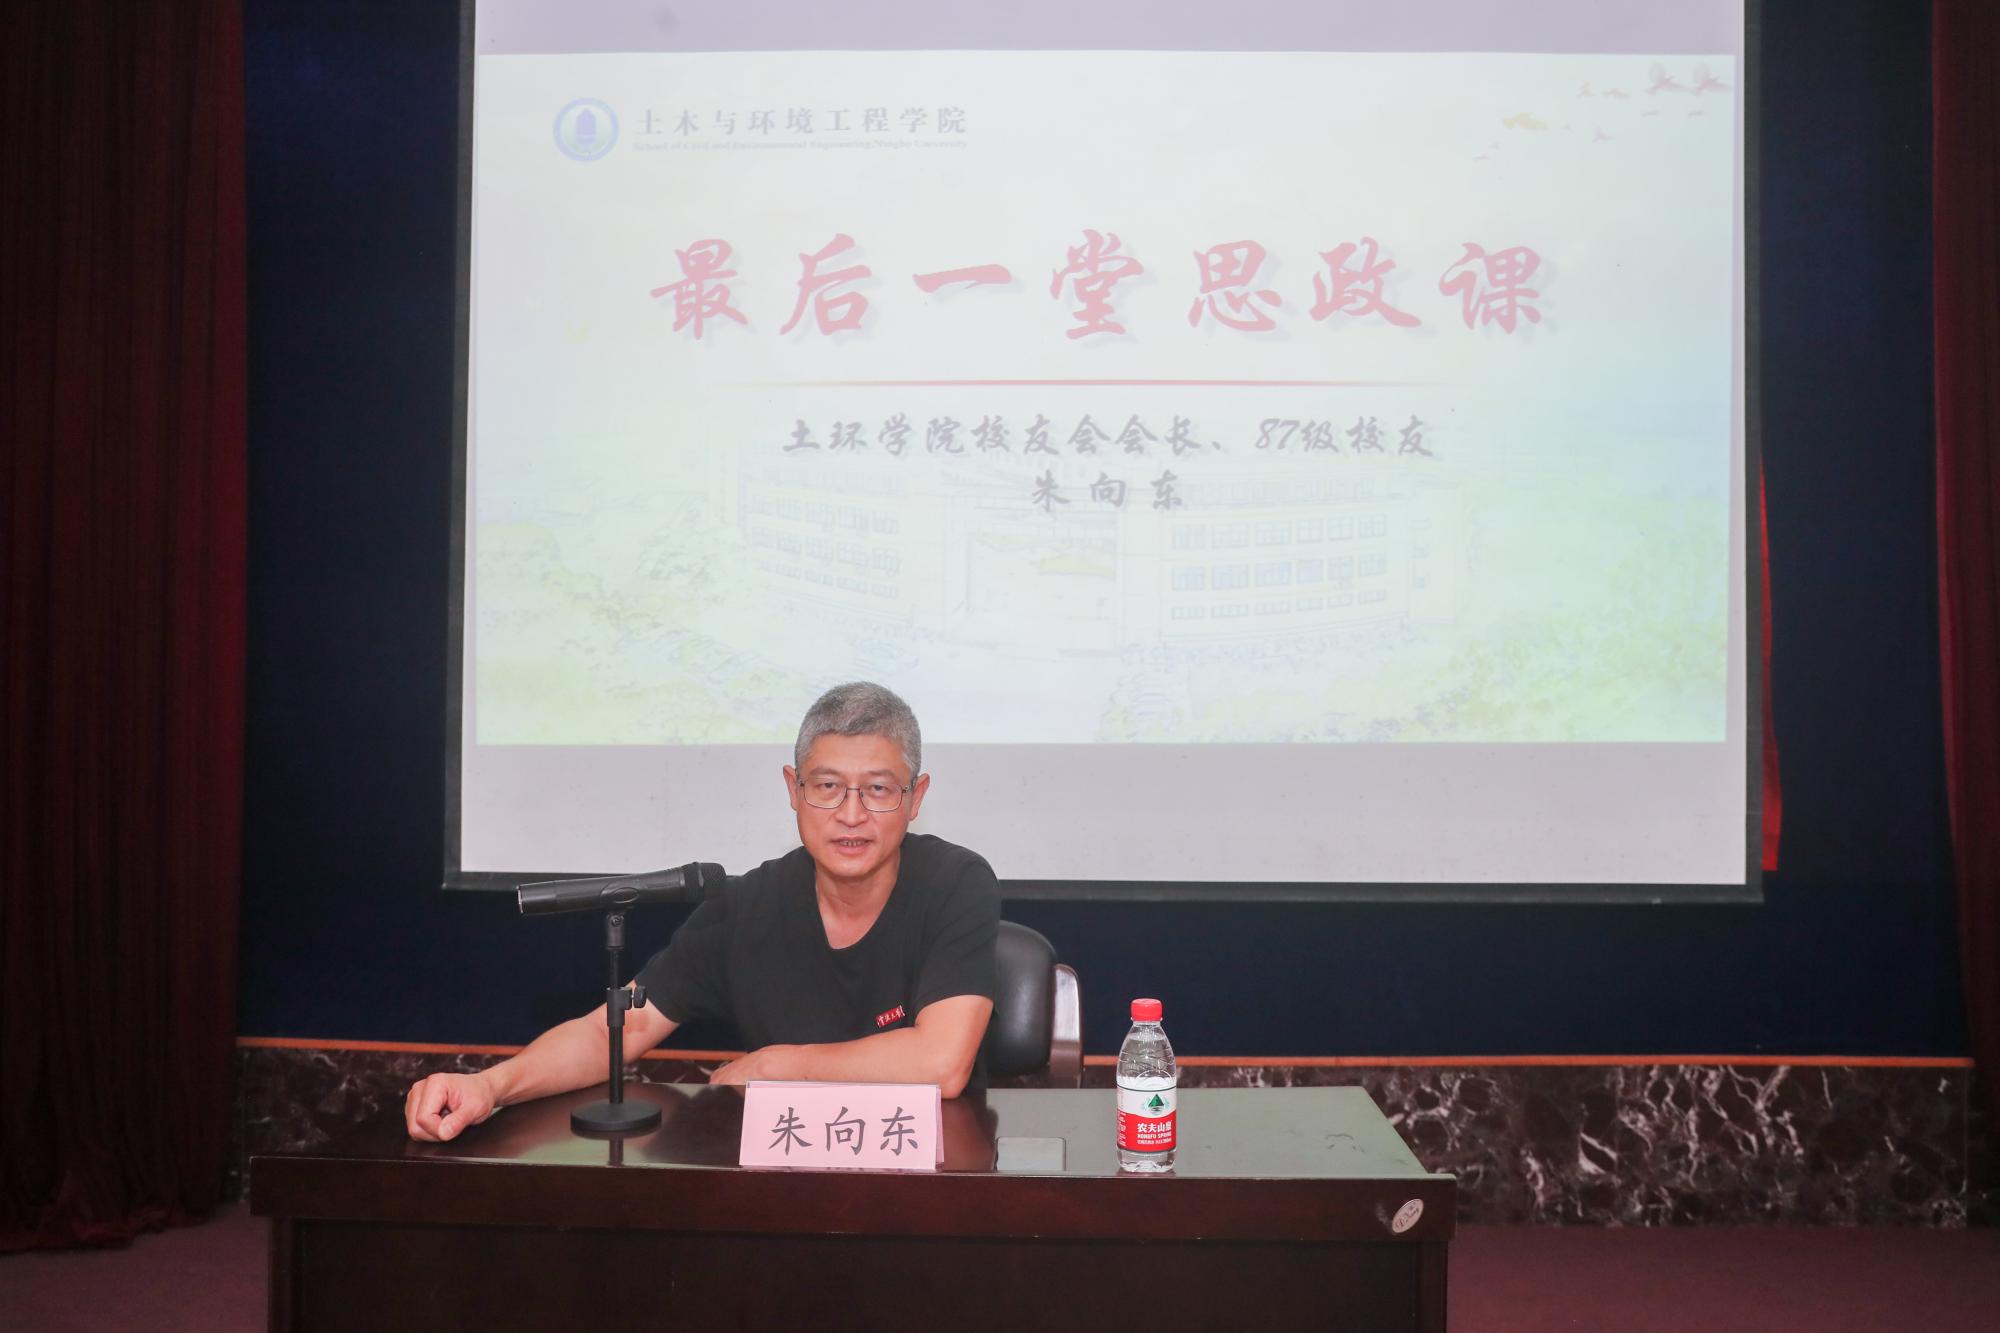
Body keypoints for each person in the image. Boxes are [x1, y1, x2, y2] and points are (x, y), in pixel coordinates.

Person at [406, 682, 999, 1142]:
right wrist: (490, 1085)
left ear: (916, 798)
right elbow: (608, 1031)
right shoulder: (745, 906)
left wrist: (775, 1067)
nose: (850, 814)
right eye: (827, 787)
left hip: (929, 1172)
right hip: (784, 1179)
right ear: (793, 790)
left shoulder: (954, 883)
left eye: (878, 789)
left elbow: (941, 1063)